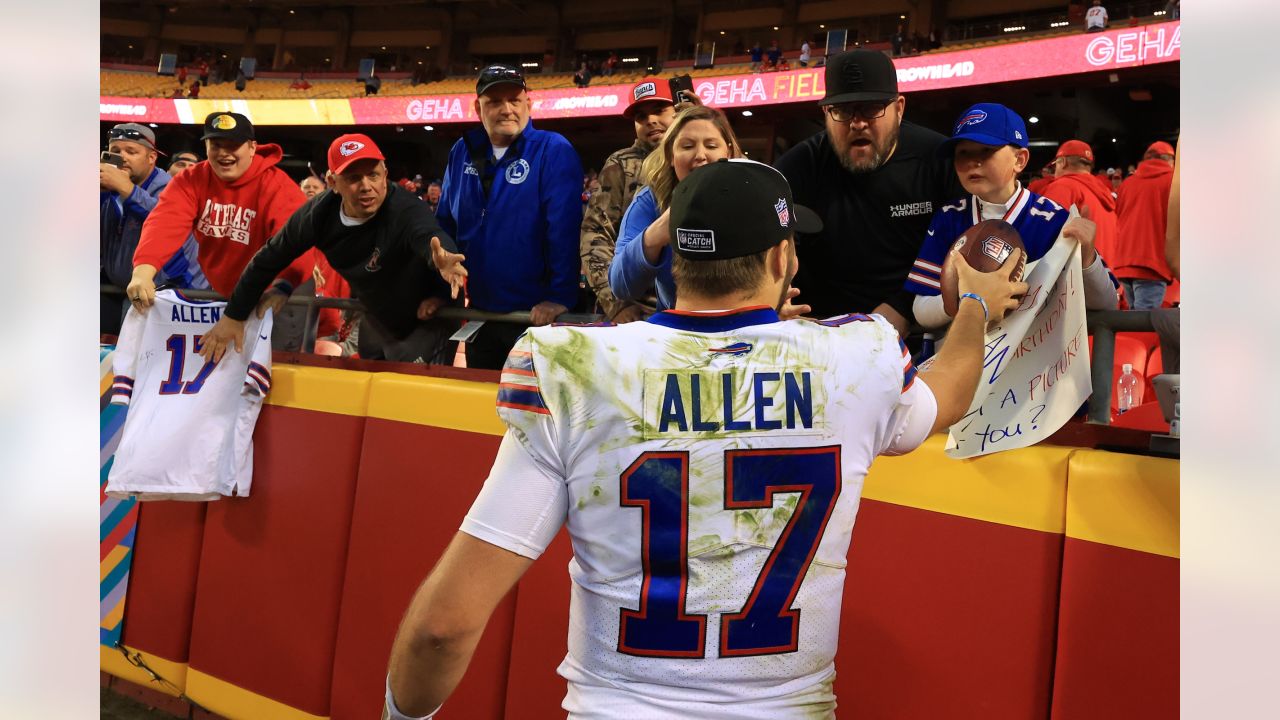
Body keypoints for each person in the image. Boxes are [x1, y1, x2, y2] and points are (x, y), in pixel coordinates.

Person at [383, 159, 1028, 720]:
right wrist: (972, 304)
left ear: (678, 261)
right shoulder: (853, 358)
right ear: (783, 258)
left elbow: (443, 628)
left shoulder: (580, 368)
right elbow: (947, 390)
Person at [198, 134, 468, 365]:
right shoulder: (317, 215)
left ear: (385, 175)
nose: (366, 186)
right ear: (332, 182)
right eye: (353, 177)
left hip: (429, 312)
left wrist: (442, 259)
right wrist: (233, 317)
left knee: (413, 392)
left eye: (373, 174)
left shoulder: (405, 208)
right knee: (370, 386)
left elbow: (430, 238)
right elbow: (267, 259)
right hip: (378, 313)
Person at [774, 49, 965, 335]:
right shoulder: (797, 168)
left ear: (899, 109)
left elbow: (963, 248)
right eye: (842, 110)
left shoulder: (939, 160)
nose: (857, 122)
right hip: (820, 332)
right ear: (826, 113)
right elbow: (762, 252)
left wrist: (903, 306)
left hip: (916, 327)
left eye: (872, 107)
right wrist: (774, 302)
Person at [902, 103, 1118, 329]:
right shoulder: (948, 217)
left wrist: (1086, 257)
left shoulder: (1053, 221)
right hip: (966, 358)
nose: (971, 162)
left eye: (986, 150)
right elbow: (920, 310)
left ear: (1020, 160)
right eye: (962, 153)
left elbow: (1107, 303)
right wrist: (966, 298)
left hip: (1036, 358)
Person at [435, 64, 584, 369]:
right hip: (481, 314)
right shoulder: (462, 150)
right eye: (494, 102)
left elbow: (564, 230)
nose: (506, 110)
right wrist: (438, 287)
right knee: (482, 406)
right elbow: (445, 223)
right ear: (478, 108)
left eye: (514, 101)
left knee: (534, 412)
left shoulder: (553, 150)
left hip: (537, 317)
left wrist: (560, 297)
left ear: (529, 104)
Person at [127, 112, 312, 319]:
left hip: (283, 288)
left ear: (252, 148)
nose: (224, 153)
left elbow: (297, 242)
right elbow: (165, 222)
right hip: (226, 291)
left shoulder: (277, 186)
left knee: (273, 351)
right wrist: (143, 270)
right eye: (216, 145)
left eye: (232, 145)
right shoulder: (192, 179)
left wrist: (283, 285)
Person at [609, 105, 741, 312]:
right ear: (671, 155)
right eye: (687, 146)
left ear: (729, 151)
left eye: (712, 145)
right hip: (677, 327)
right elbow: (620, 286)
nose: (700, 155)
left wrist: (774, 305)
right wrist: (654, 236)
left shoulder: (752, 194)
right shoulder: (650, 201)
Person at [581, 78, 677, 323]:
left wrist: (701, 118)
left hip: (699, 305)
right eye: (641, 116)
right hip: (637, 310)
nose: (650, 120)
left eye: (659, 110)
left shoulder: (704, 156)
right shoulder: (620, 164)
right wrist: (617, 304)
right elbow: (595, 235)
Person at [100, 123, 205, 334]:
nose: (123, 157)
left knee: (137, 360)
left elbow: (166, 221)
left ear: (151, 158)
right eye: (115, 152)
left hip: (171, 291)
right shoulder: (106, 188)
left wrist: (127, 190)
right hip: (118, 288)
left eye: (131, 151)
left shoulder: (172, 186)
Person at [1113, 141, 1177, 309]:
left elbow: (1118, 215)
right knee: (1142, 328)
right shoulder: (1173, 181)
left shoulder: (1128, 183)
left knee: (1133, 323)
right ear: (1170, 160)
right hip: (1152, 264)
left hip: (1124, 262)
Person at [1041, 139, 1119, 261]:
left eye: (1055, 163)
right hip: (1105, 274)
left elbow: (1043, 235)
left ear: (1063, 162)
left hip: (1079, 275)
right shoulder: (1103, 191)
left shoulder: (1064, 186)